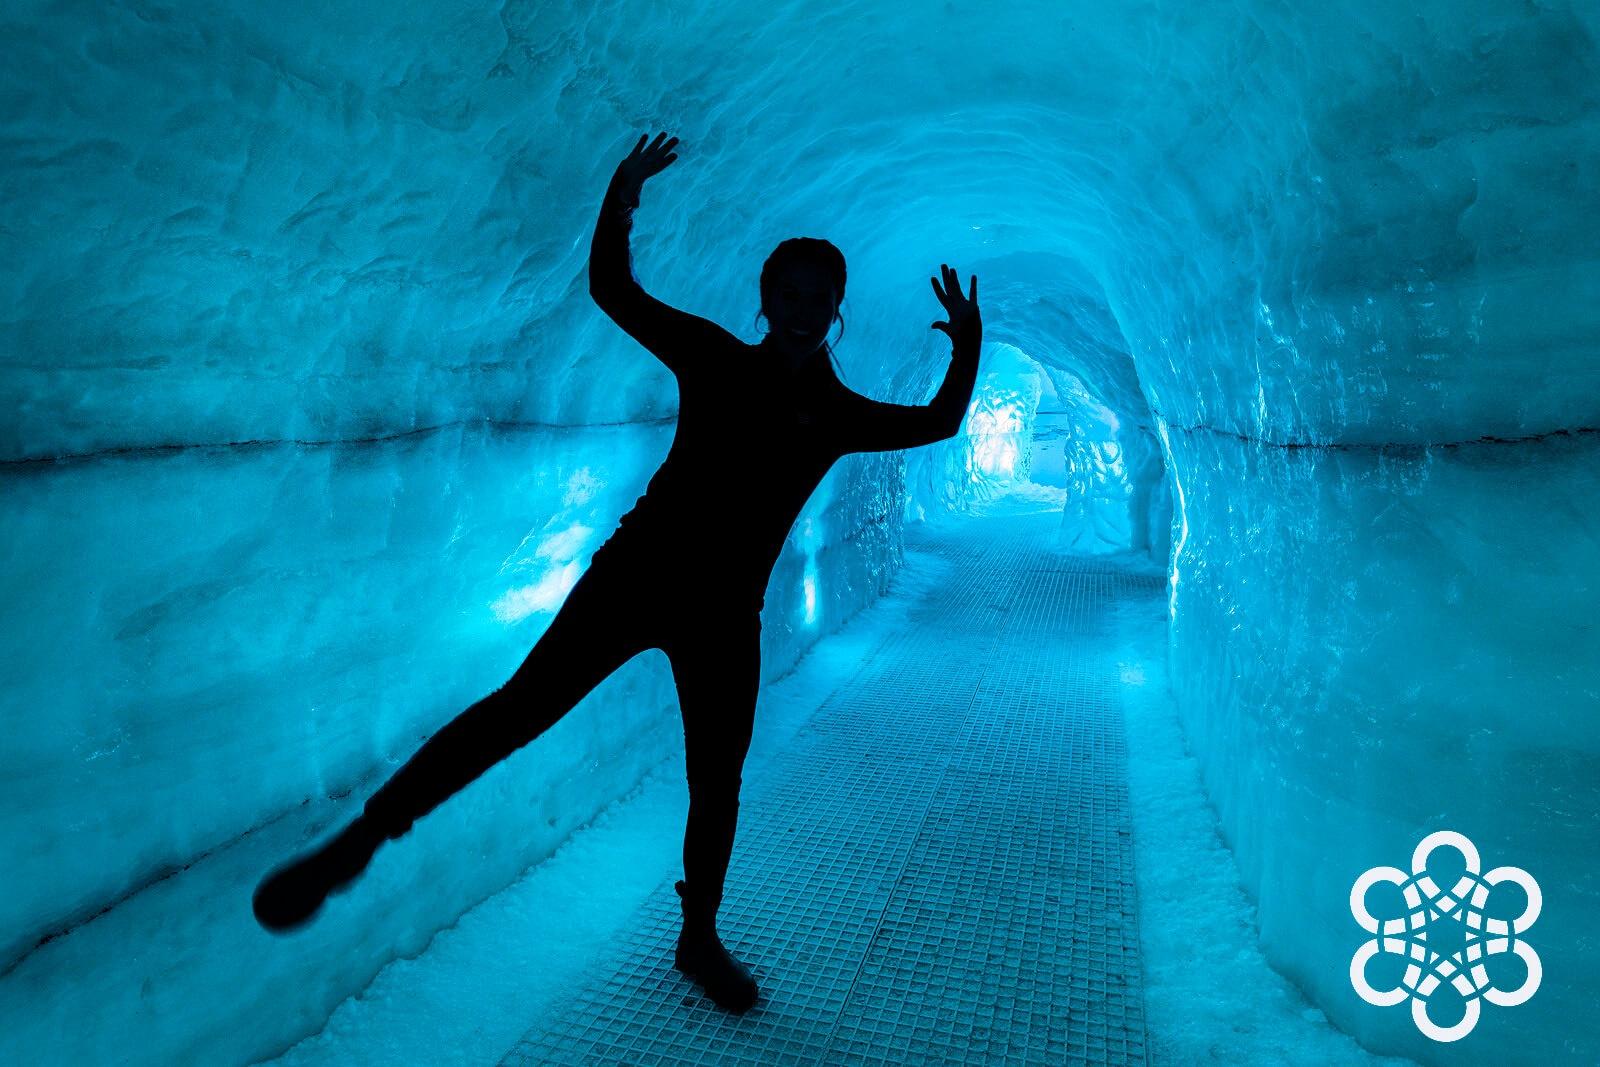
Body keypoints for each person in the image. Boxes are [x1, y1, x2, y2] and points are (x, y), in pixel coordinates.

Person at [252, 131, 983, 1015]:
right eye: (787, 293)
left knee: (718, 785)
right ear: (765, 298)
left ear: (835, 313)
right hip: (637, 575)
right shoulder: (714, 357)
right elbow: (612, 290)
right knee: (519, 708)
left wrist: (967, 344)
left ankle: (698, 937)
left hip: (723, 617)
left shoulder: (833, 411)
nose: (799, 309)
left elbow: (940, 422)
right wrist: (622, 191)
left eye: (816, 299)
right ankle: (361, 840)